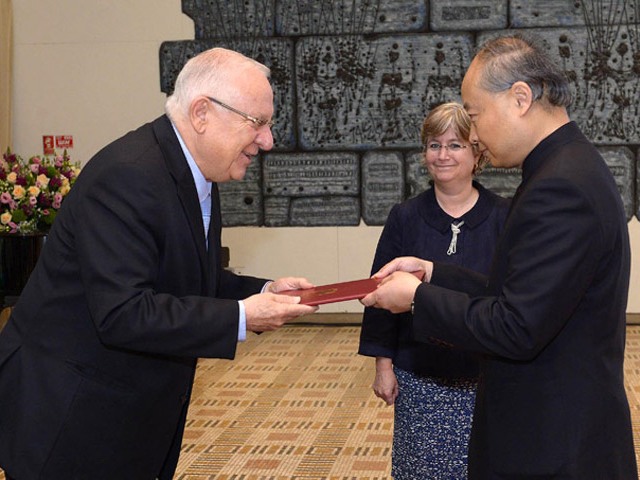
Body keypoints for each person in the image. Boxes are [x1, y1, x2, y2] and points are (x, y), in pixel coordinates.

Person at [0, 48, 318, 479]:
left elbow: (186, 278)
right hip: (71, 419)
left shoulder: (197, 171)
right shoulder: (129, 175)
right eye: (257, 122)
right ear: (202, 113)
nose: (267, 140)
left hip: (126, 412)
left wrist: (262, 293)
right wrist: (243, 316)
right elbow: (122, 312)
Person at [361, 33, 638, 479]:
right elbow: (520, 293)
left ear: (520, 98)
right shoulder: (563, 165)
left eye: (474, 114)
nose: (473, 133)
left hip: (555, 444)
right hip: (554, 430)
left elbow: (515, 326)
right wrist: (432, 274)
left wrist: (416, 298)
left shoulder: (559, 186)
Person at [358, 102, 509, 479]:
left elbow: (509, 296)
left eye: (455, 145)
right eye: (433, 144)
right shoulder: (404, 217)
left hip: (485, 377)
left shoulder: (506, 217)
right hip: (419, 375)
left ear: (477, 154)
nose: (442, 155)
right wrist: (383, 366)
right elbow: (379, 297)